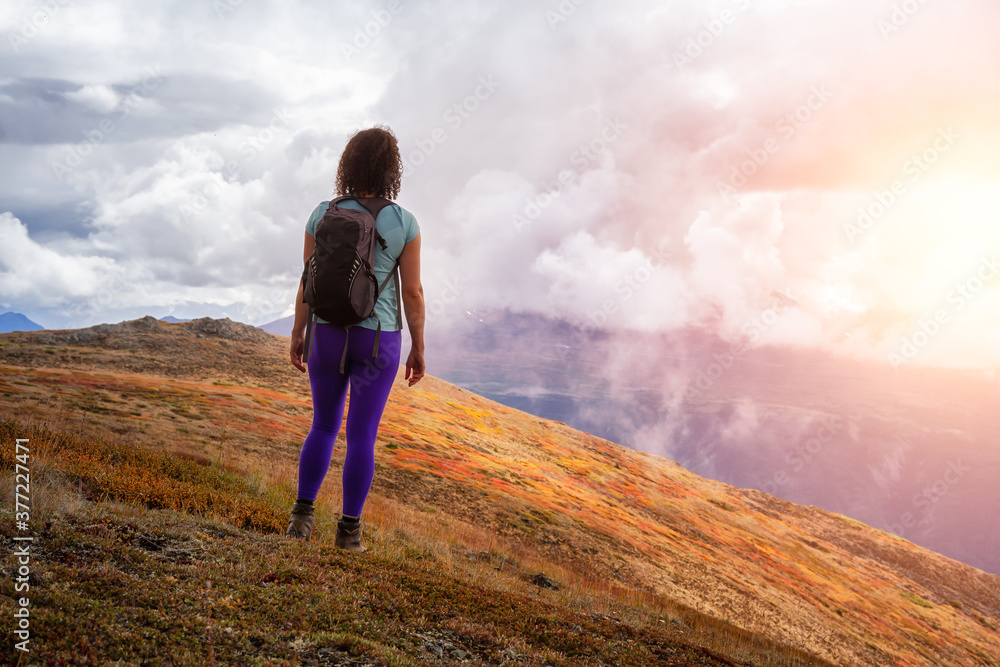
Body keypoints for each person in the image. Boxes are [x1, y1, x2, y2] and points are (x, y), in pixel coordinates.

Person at [285, 125, 425, 552]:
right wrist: (418, 346)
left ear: (348, 163)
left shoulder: (322, 213)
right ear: (391, 170)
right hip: (378, 340)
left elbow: (309, 280)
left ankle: (300, 521)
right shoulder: (403, 222)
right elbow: (413, 292)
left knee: (323, 425)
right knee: (362, 434)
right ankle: (348, 534)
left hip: (327, 333)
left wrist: (298, 330)